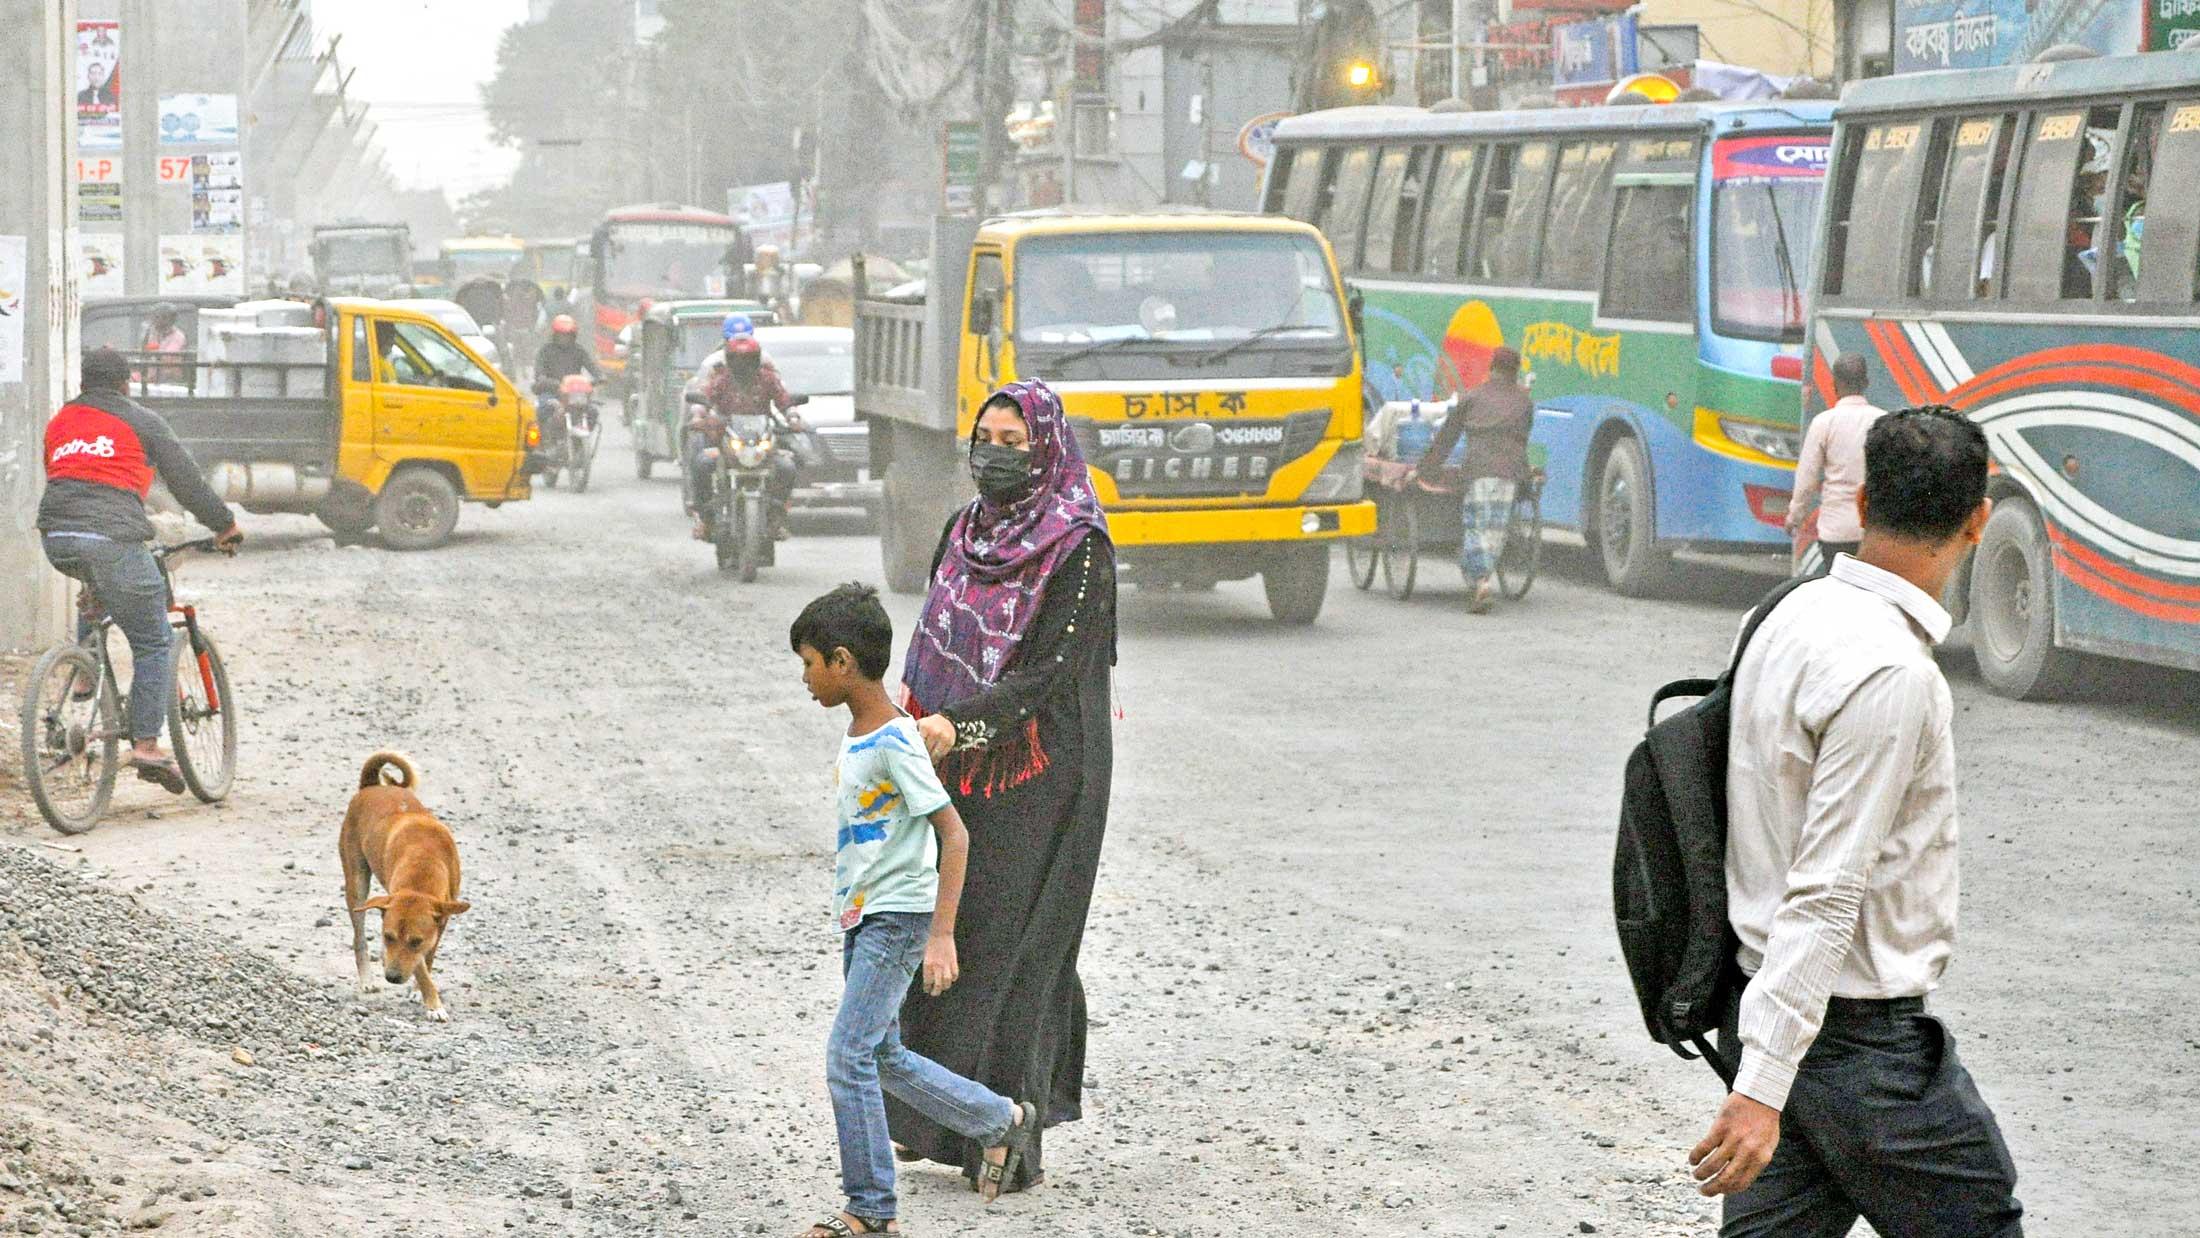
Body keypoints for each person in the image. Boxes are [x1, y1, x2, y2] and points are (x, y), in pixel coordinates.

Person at [1690, 406, 2023, 1236]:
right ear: (1979, 520)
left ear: (1865, 499)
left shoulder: (1781, 614)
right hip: (1857, 1051)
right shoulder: (1891, 673)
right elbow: (1830, 888)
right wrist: (1762, 1088)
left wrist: (1766, 1069)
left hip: (1774, 1009)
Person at [890, 379, 1116, 1196]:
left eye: (1014, 442)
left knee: (1018, 941)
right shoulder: (964, 530)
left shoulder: (1079, 545)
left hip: (1044, 771)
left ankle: (1011, 1130)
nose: (995, 452)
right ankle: (931, 1116)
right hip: (959, 759)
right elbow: (933, 637)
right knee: (940, 928)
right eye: (986, 436)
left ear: (1047, 449)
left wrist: (965, 725)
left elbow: (1049, 675)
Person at [788, 583, 1041, 1236]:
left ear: (843, 662)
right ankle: (1000, 1122)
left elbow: (952, 833)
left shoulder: (896, 740)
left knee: (848, 1055)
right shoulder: (858, 735)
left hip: (896, 921)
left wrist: (941, 935)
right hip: (863, 918)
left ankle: (871, 1212)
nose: (806, 677)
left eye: (809, 662)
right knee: (882, 1056)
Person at [38, 347, 244, 793]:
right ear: (126, 383)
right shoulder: (143, 421)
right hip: (112, 536)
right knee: (153, 639)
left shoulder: (59, 423)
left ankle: (85, 668)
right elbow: (187, 483)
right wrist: (224, 525)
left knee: (99, 585)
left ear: (83, 382)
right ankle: (147, 747)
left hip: (55, 536)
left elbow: (63, 475)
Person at [1413, 345, 1533, 613]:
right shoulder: (1525, 402)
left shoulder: (1473, 397)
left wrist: (1425, 469)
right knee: (1496, 529)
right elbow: (1524, 438)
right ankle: (1483, 577)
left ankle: (1481, 582)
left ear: (1492, 368)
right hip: (1510, 473)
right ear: (1515, 372)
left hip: (1479, 470)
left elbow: (1447, 438)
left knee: (1476, 526)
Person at [687, 315, 803, 539]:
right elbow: (705, 397)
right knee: (701, 464)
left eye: (748, 359)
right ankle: (705, 519)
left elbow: (783, 399)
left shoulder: (768, 377)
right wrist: (699, 416)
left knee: (788, 467)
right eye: (737, 360)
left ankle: (777, 517)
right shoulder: (720, 377)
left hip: (761, 440)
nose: (743, 365)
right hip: (726, 439)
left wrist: (793, 417)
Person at [1787, 354, 1889, 567]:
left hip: (1836, 532)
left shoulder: (1823, 423)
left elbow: (1807, 479)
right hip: (1872, 531)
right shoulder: (1883, 422)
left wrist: (1794, 517)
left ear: (1834, 384)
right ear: (1866, 383)